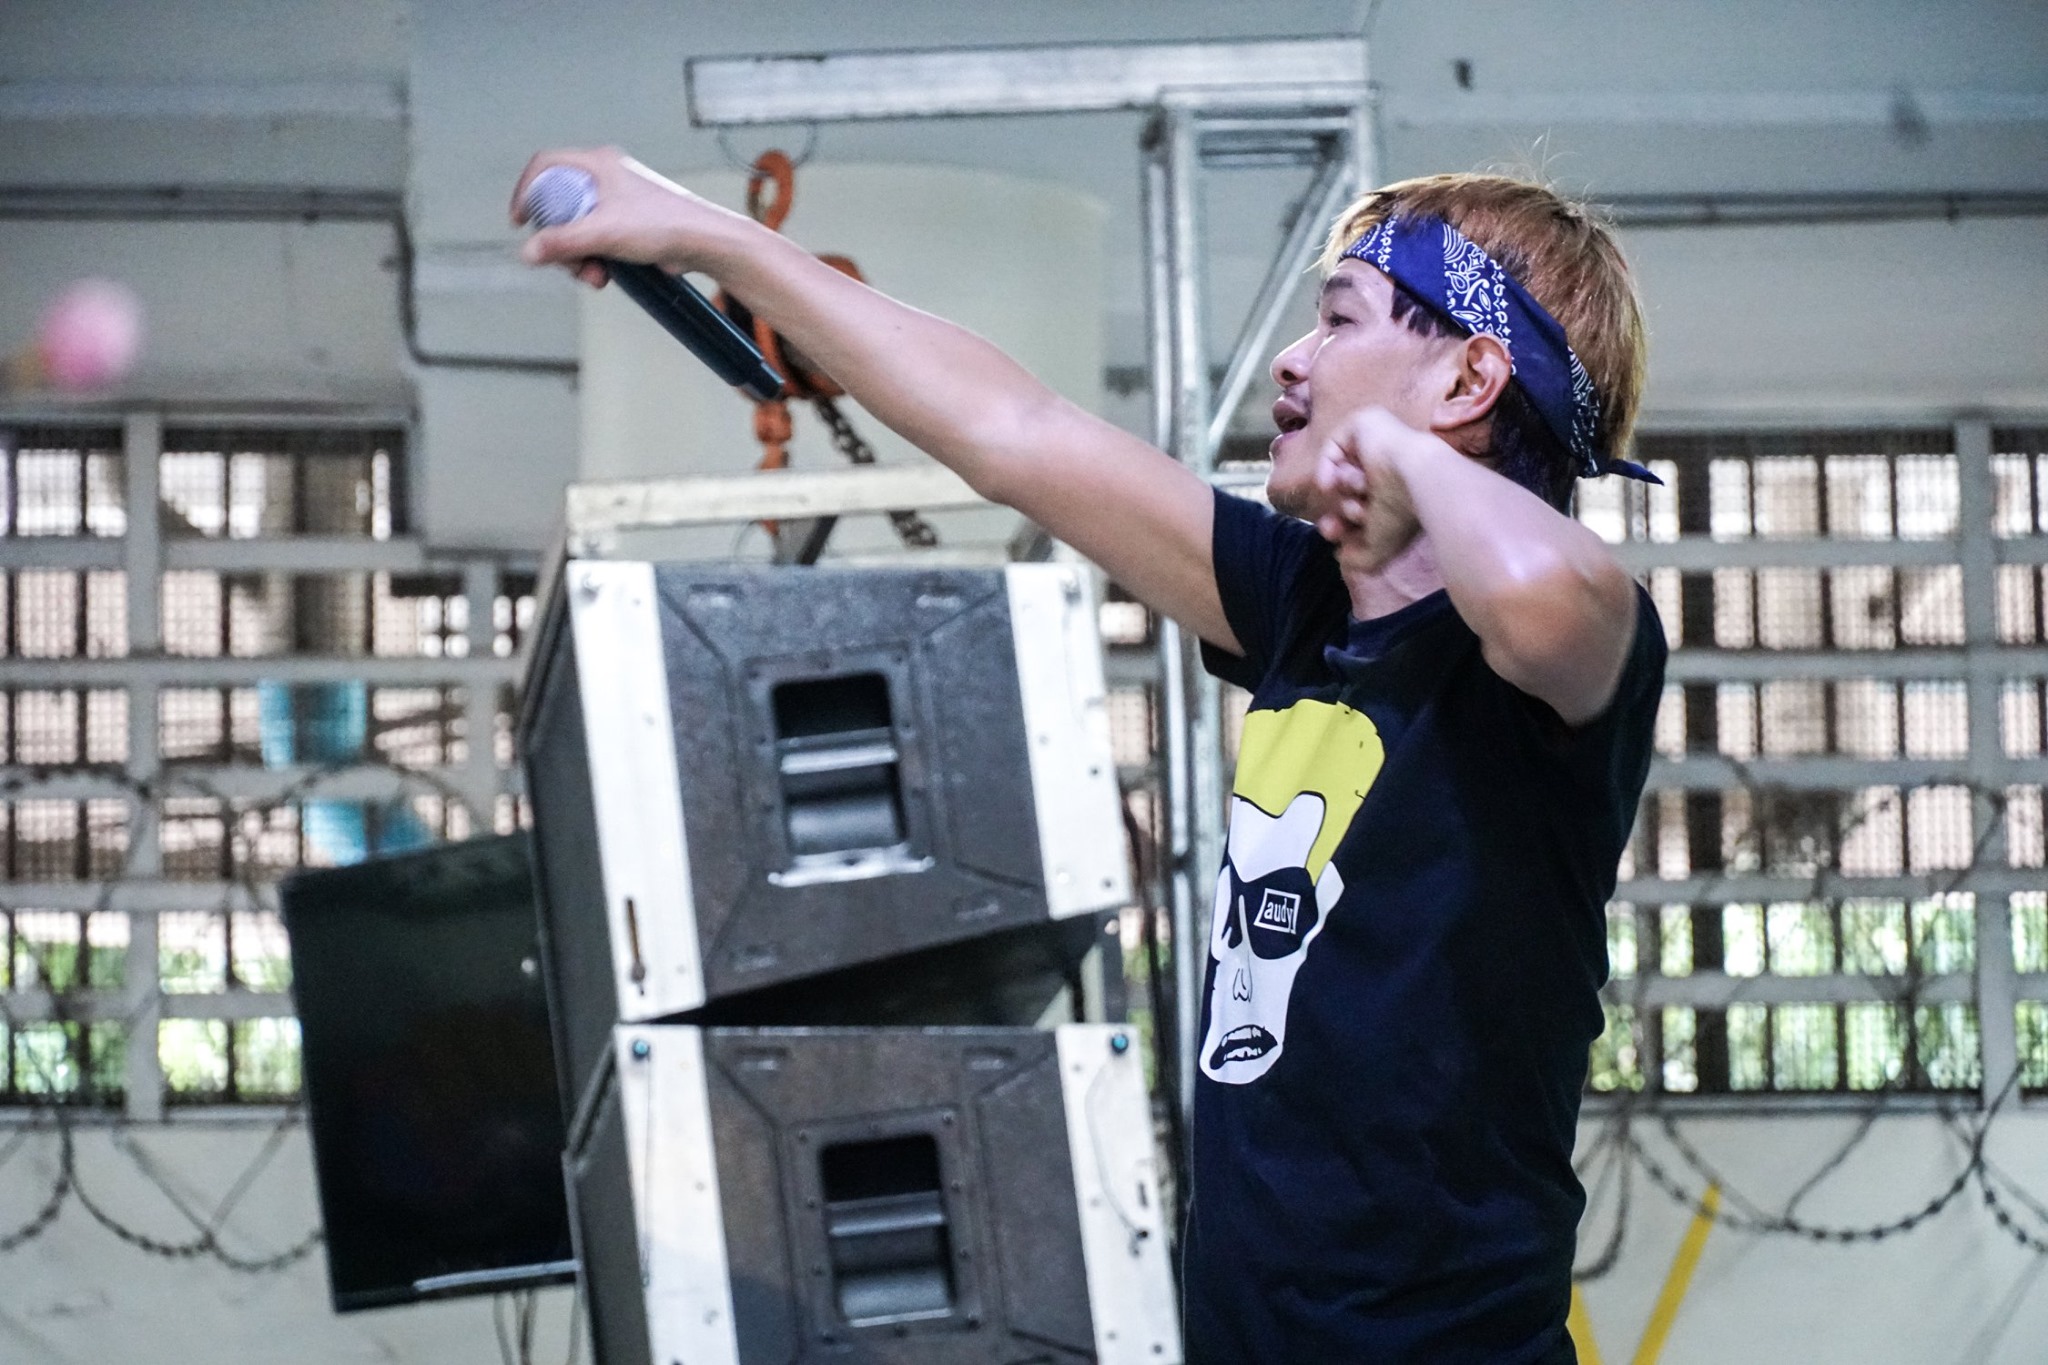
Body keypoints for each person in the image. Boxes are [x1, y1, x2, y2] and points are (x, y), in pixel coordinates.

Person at [513, 149, 1666, 1364]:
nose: (1292, 360)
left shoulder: (1562, 654)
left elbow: (1538, 585)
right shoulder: (1300, 604)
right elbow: (1011, 428)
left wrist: (1407, 463)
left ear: (1468, 378)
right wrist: (706, 236)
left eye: (1337, 321)